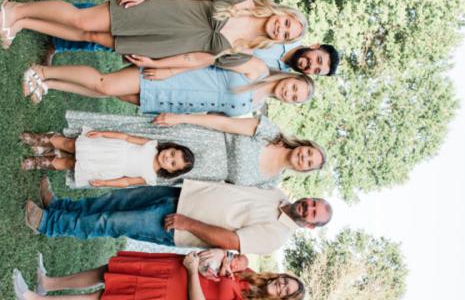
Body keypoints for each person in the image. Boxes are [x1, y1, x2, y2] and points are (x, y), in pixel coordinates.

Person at [0, 0, 307, 70]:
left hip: (160, 44)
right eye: (286, 23)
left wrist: (156, 63)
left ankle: (24, 22)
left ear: (281, 41)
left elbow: (196, 59)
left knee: (87, 34)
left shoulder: (245, 52)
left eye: (286, 35)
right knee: (83, 18)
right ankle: (15, 9)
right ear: (283, 13)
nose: (280, 29)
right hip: (159, 12)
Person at [12, 250, 305, 300]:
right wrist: (219, 257)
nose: (280, 285)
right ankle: (48, 284)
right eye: (284, 280)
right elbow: (221, 268)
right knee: (106, 271)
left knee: (100, 299)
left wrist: (192, 271)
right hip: (167, 271)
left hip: (164, 298)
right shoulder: (252, 277)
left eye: (285, 291)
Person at [24, 178, 333, 254]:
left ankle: (49, 224)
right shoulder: (277, 194)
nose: (307, 207)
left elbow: (230, 240)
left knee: (112, 222)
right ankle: (60, 207)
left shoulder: (275, 237)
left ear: (309, 225)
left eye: (312, 213)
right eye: (312, 202)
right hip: (182, 195)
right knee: (115, 200)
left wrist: (189, 223)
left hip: (177, 225)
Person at [45, 110, 326, 188]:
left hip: (192, 174)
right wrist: (181, 119)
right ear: (304, 145)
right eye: (308, 153)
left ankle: (64, 161)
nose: (304, 158)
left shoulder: (270, 183)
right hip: (192, 140)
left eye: (308, 163)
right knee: (131, 140)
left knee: (131, 167)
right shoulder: (271, 133)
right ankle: (66, 140)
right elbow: (224, 123)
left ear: (304, 170)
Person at [21, 61, 315, 115]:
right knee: (105, 83)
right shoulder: (257, 68)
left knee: (107, 91)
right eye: (293, 87)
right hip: (170, 78)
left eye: (293, 98)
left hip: (172, 102)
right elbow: (212, 57)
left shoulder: (254, 107)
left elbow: (211, 114)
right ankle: (43, 70)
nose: (288, 93)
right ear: (290, 77)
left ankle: (50, 84)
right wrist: (168, 67)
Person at [44, 36, 340, 76]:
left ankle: (61, 44)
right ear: (315, 46)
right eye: (317, 60)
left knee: (130, 50)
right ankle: (60, 39)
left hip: (199, 60)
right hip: (201, 37)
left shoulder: (279, 77)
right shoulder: (287, 33)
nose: (311, 66)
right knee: (126, 36)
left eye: (317, 70)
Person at [19, 130, 194, 188]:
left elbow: (126, 181)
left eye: (173, 163)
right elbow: (126, 137)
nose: (168, 158)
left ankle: (37, 162)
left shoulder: (150, 177)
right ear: (171, 147)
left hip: (109, 168)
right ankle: (38, 138)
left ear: (171, 171)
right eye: (172, 153)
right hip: (108, 148)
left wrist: (105, 183)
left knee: (71, 164)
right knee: (72, 145)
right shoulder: (151, 145)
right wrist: (103, 134)